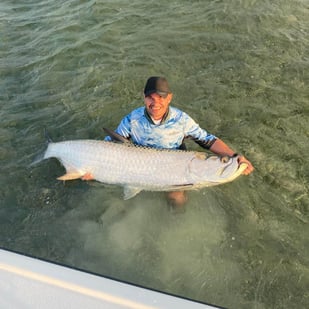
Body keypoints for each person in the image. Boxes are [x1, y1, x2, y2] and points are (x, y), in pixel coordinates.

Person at [105, 76, 254, 208]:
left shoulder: (181, 120)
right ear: (144, 97)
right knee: (127, 202)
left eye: (161, 97)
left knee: (176, 198)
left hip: (176, 165)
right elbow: (110, 145)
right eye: (151, 97)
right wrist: (92, 169)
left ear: (169, 97)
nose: (155, 103)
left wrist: (235, 155)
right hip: (141, 163)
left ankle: (176, 221)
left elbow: (207, 140)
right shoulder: (132, 119)